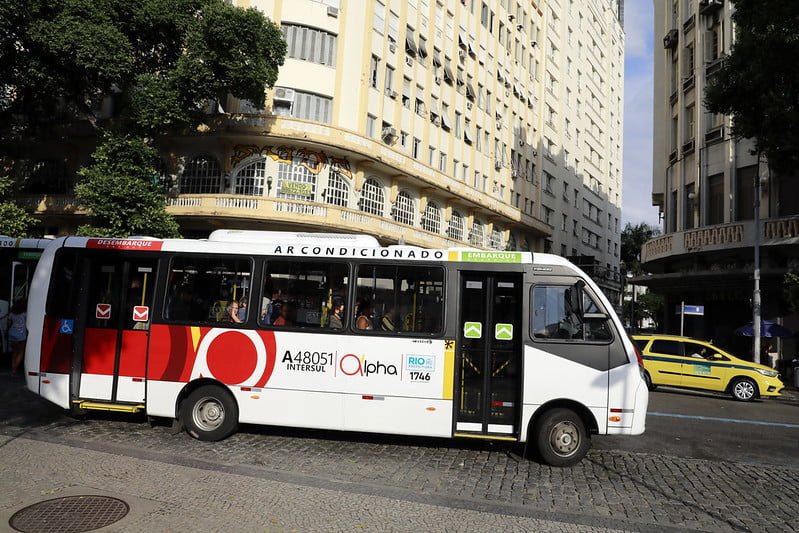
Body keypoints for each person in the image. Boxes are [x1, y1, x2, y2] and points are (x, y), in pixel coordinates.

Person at [8, 299, 27, 373]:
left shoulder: (12, 313)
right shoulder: (25, 314)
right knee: (21, 352)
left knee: (14, 352)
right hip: (21, 334)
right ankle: (15, 368)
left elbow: (9, 323)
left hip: (12, 333)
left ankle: (13, 368)